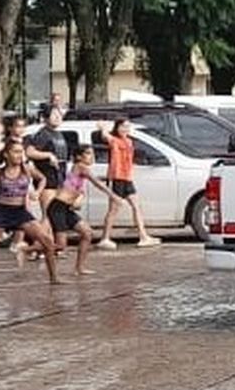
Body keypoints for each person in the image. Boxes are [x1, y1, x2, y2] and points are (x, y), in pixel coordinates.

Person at [0, 140, 59, 288]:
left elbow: (43, 179)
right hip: (2, 212)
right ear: (6, 155)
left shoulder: (27, 169)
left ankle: (54, 278)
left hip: (20, 212)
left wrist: (37, 192)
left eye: (21, 152)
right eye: (16, 152)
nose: (20, 155)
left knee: (48, 242)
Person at [48, 144, 115, 276]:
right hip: (57, 207)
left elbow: (79, 187)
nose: (92, 157)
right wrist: (114, 196)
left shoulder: (80, 170)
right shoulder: (81, 166)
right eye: (89, 153)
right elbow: (96, 182)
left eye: (92, 153)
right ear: (79, 157)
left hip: (66, 208)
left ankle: (79, 268)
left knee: (87, 234)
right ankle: (30, 249)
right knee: (61, 245)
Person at [97, 117, 159, 249]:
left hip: (127, 178)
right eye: (123, 126)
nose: (125, 129)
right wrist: (103, 127)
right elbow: (105, 135)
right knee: (113, 209)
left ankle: (143, 236)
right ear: (117, 127)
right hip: (118, 178)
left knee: (136, 206)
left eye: (127, 127)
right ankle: (105, 238)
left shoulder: (129, 141)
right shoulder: (114, 141)